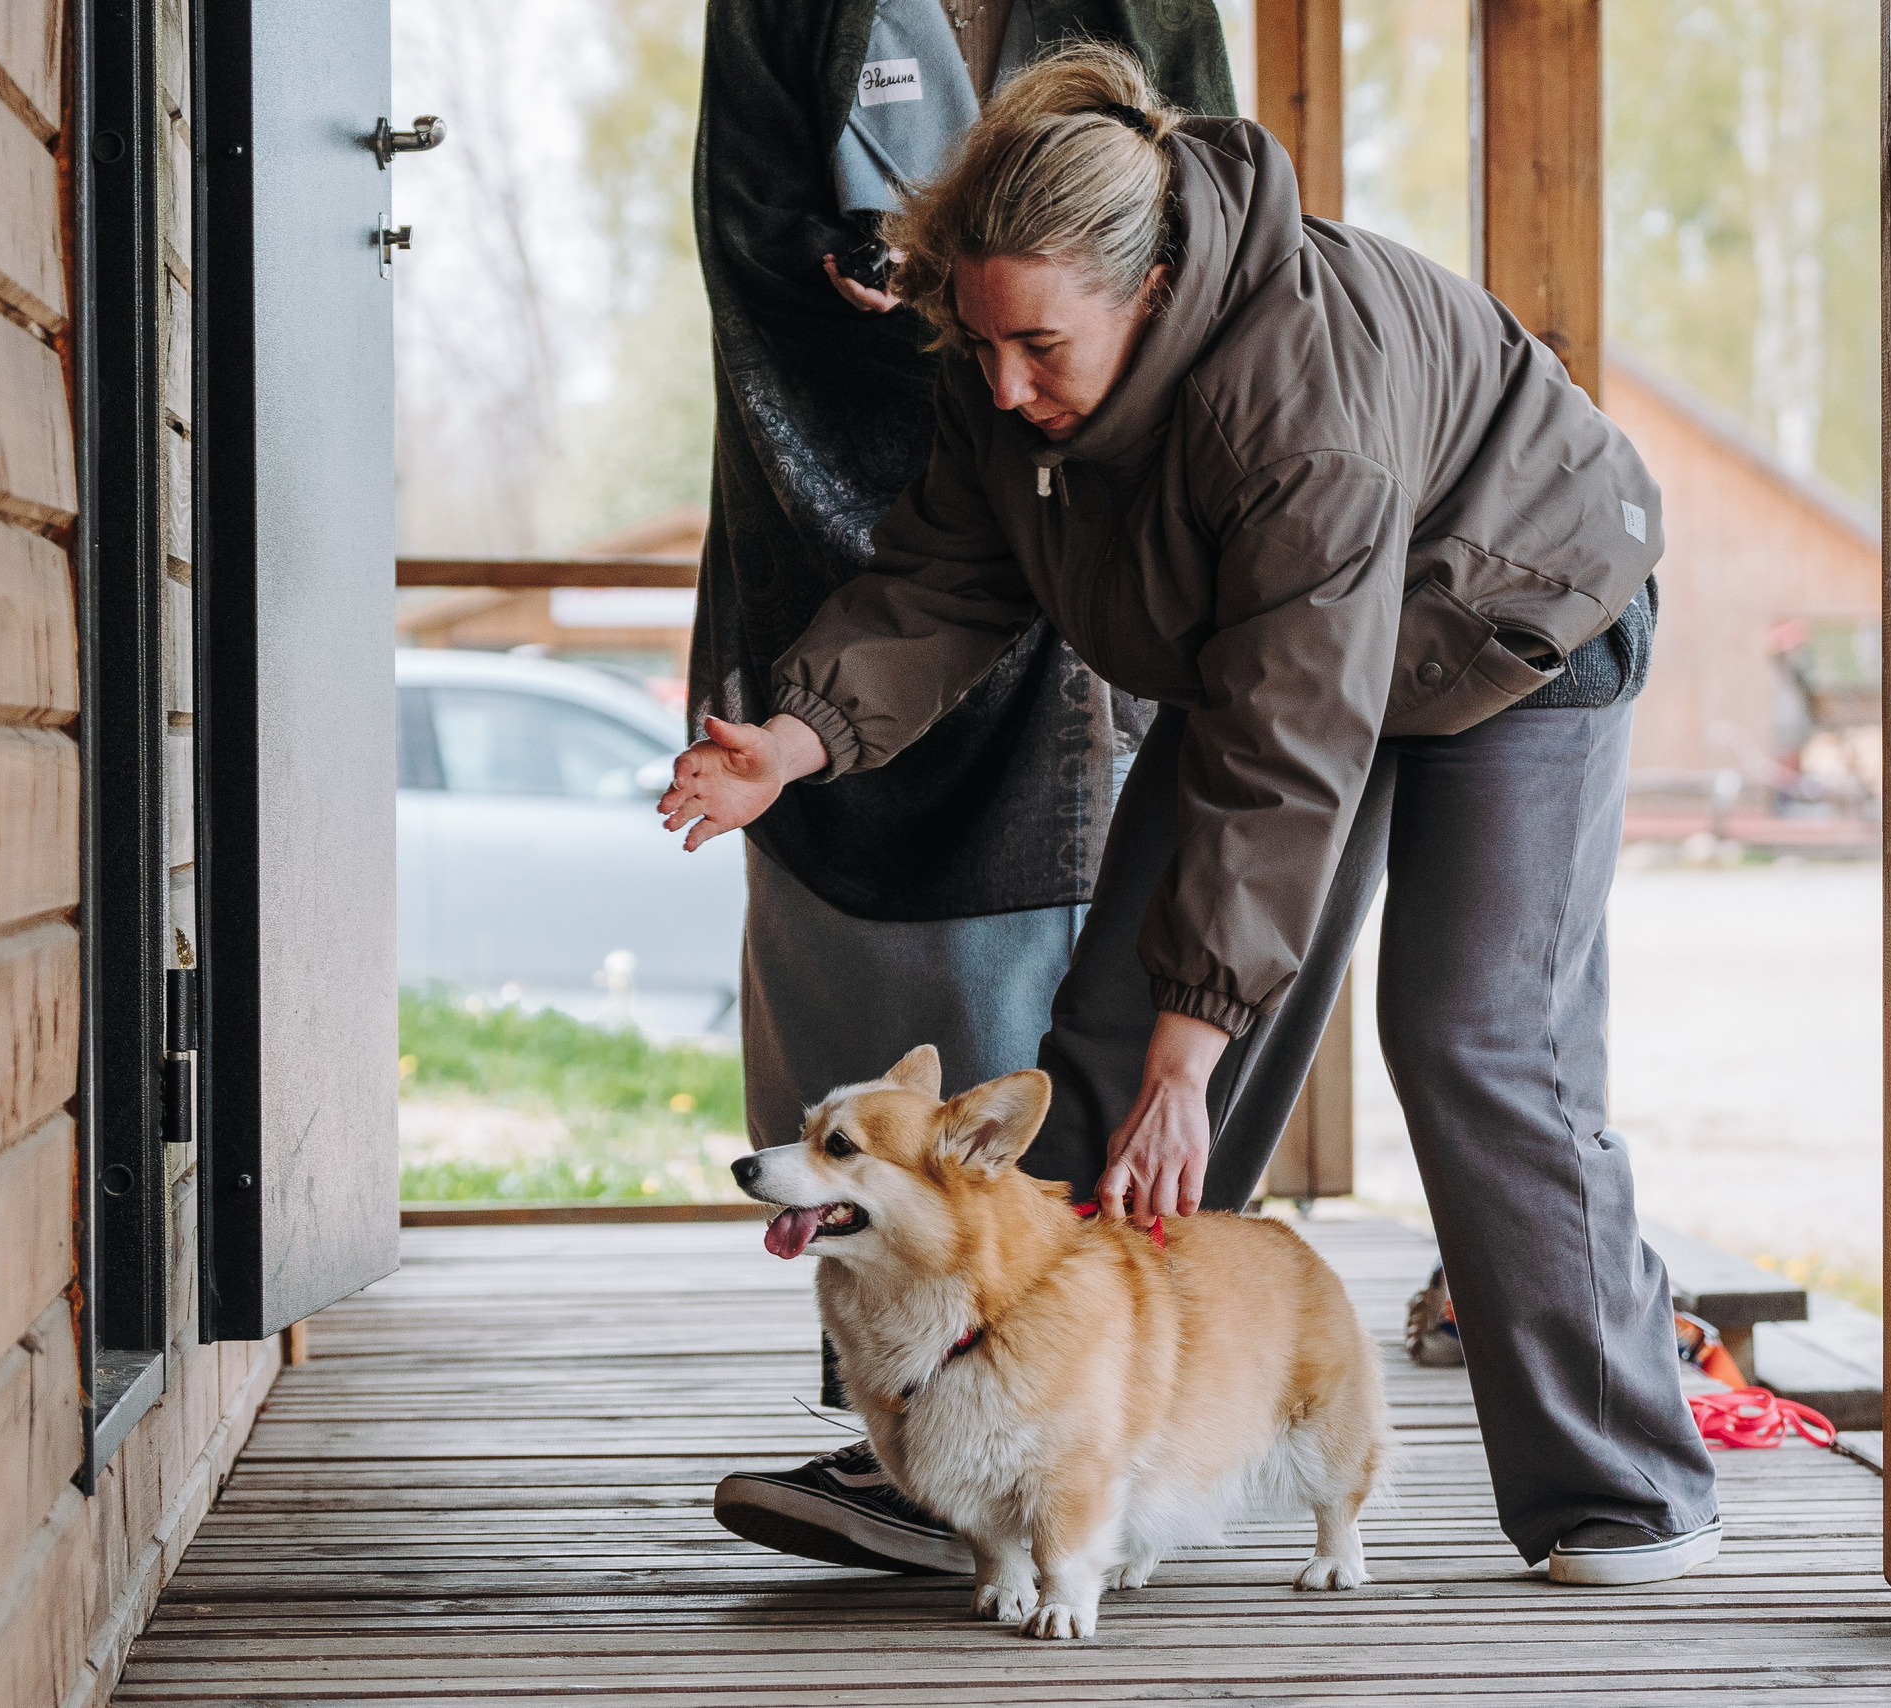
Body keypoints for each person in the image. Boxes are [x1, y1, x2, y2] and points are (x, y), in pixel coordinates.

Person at [669, 43, 1717, 1585]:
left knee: (1471, 1037)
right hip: (1282, 653)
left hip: (1516, 621)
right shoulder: (1003, 356)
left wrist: (1200, 1041)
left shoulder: (1299, 406)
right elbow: (946, 577)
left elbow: (1293, 747)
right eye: (985, 343)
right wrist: (799, 737)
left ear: (1149, 286)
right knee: (1109, 1036)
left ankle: (1623, 1486)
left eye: (1041, 347)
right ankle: (1012, 1448)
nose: (1008, 385)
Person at [694, 0, 1252, 1573]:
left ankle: (1092, 1411)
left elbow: (1196, 198)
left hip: (1093, 515)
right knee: (860, 988)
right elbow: (745, 228)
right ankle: (903, 1427)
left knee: (1089, 982)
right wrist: (869, 276)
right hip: (866, 508)